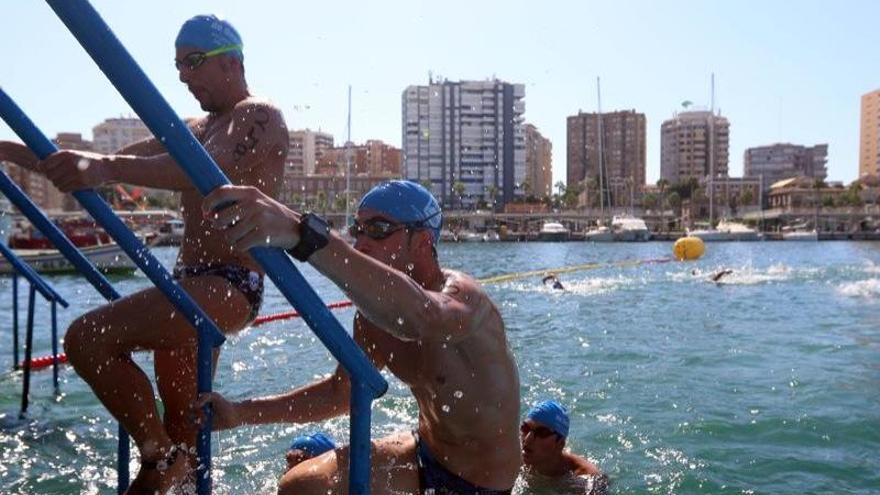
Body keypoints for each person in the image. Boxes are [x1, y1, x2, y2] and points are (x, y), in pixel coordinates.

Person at [32, 15, 288, 494]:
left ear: (232, 61)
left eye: (193, 63)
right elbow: (90, 163)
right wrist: (10, 150)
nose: (184, 77)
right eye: (178, 68)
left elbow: (203, 170)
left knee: (89, 338)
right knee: (185, 431)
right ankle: (173, 463)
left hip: (229, 283)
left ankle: (158, 455)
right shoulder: (194, 127)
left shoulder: (259, 116)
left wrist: (103, 168)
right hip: (188, 281)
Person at [196, 180, 522, 494]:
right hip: (425, 454)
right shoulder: (372, 320)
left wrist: (302, 235)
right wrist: (241, 413)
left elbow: (423, 318)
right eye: (357, 230)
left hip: (483, 484)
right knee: (300, 486)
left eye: (378, 230)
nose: (361, 243)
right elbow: (340, 393)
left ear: (423, 241)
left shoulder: (465, 299)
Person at [520, 400, 608, 494]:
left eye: (542, 433)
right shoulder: (512, 457)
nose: (527, 439)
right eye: (525, 428)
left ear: (560, 443)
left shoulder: (586, 481)